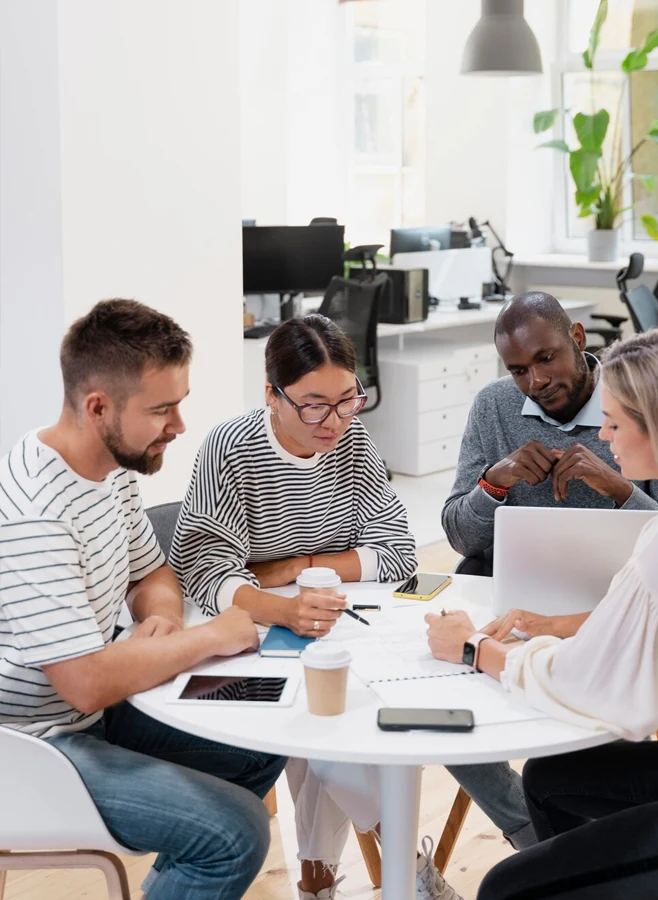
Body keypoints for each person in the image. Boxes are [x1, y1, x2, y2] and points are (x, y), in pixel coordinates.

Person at [170, 314, 533, 900]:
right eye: (314, 405)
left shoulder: (353, 441)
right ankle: (403, 864)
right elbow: (205, 568)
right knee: (319, 723)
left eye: (347, 401)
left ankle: (321, 882)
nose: (334, 422)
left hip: (345, 619)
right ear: (272, 394)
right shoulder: (230, 447)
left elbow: (397, 551)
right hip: (257, 629)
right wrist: (279, 606)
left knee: (346, 708)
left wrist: (290, 568)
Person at [0, 299, 286, 900]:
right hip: (28, 748)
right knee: (235, 833)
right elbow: (83, 682)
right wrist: (205, 637)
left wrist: (159, 620)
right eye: (162, 409)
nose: (179, 425)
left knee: (270, 729)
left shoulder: (115, 467)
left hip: (90, 710)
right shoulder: (35, 514)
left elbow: (153, 573)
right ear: (97, 406)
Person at [427, 328, 658, 899]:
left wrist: (472, 648)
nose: (603, 436)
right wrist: (551, 625)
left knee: (505, 888)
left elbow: (597, 686)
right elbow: (656, 620)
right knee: (551, 779)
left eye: (612, 421)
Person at [442, 292, 658, 579]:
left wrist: (618, 489)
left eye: (546, 358)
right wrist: (493, 483)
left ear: (578, 337)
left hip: (617, 591)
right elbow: (461, 540)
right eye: (519, 371)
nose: (537, 381)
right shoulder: (492, 404)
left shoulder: (642, 403)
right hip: (515, 590)